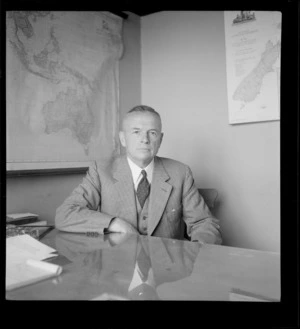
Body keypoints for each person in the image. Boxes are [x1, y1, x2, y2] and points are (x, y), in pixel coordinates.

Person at [55, 105, 222, 244]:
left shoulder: (180, 173)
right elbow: (65, 214)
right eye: (136, 132)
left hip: (166, 273)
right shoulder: (101, 171)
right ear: (123, 139)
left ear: (160, 139)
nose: (145, 139)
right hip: (118, 270)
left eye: (152, 133)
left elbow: (203, 223)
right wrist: (114, 223)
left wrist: (198, 256)